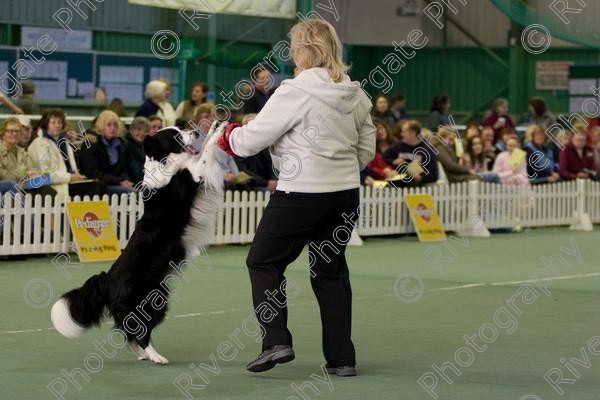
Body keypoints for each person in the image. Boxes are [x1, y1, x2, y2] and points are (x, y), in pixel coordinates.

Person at [217, 18, 375, 376]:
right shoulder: (356, 94)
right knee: (331, 273)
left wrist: (227, 134)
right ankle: (342, 359)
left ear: (301, 51)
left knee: (263, 262)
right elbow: (366, 150)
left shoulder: (294, 91)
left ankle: (276, 340)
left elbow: (249, 140)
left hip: (301, 193)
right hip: (344, 195)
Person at [28, 108, 103, 198]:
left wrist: (77, 176)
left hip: (68, 181)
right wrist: (70, 177)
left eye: (59, 122)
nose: (57, 125)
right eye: (53, 122)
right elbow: (46, 175)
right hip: (53, 184)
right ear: (46, 124)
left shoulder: (64, 142)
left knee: (98, 184)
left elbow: (71, 168)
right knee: (94, 188)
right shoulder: (39, 143)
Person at [80, 110, 134, 194]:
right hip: (100, 185)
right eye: (109, 125)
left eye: (115, 125)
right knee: (133, 193)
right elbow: (92, 172)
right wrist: (118, 181)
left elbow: (124, 168)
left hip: (117, 183)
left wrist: (125, 180)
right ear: (101, 126)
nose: (112, 128)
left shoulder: (121, 143)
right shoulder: (91, 143)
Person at [0, 117, 56, 198]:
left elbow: (31, 171)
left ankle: (51, 210)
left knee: (47, 189)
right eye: (10, 131)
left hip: (23, 185)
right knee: (15, 187)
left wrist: (35, 177)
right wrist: (22, 176)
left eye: (17, 131)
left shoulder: (22, 152)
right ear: (3, 133)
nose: (14, 134)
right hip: (7, 187)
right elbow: (3, 175)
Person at [383, 120, 438, 187]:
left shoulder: (428, 150)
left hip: (419, 186)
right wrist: (393, 161)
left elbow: (434, 175)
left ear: (413, 133)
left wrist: (421, 178)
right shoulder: (396, 147)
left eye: (404, 132)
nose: (401, 134)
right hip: (397, 184)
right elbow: (385, 158)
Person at [124, 116, 149, 184]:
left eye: (145, 131)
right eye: (139, 130)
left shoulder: (145, 147)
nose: (142, 133)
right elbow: (135, 172)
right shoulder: (126, 146)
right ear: (131, 130)